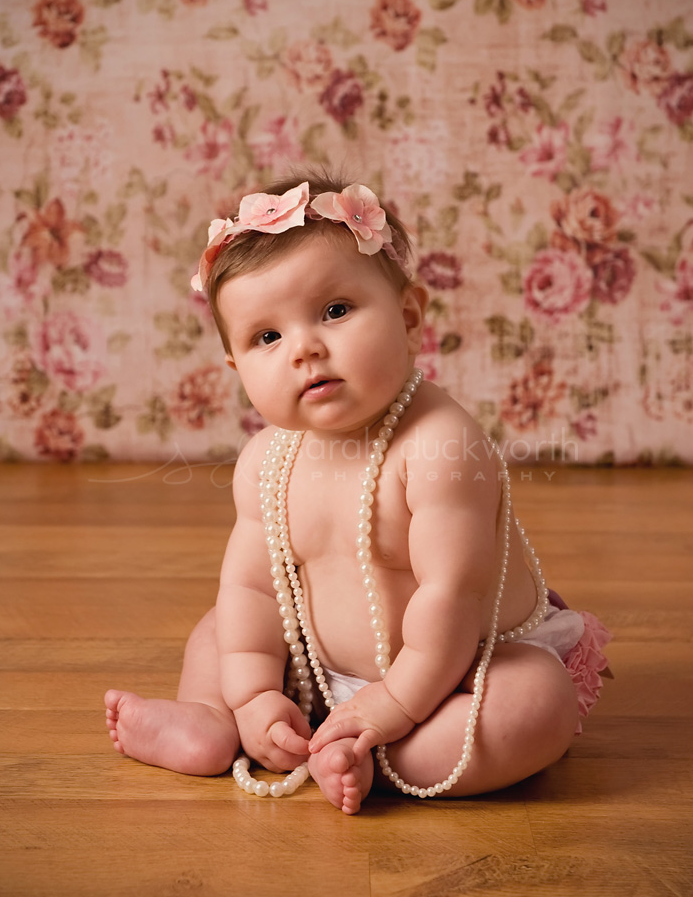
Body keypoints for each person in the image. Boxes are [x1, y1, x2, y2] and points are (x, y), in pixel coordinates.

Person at [105, 169, 611, 814]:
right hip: (315, 665)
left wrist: (395, 704)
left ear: (407, 318)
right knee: (221, 630)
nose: (305, 349)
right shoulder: (267, 461)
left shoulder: (439, 446)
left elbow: (452, 594)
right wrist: (257, 691)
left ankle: (379, 754)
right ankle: (211, 720)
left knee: (536, 703)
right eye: (267, 337)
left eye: (335, 311)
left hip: (460, 669)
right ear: (236, 367)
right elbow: (254, 588)